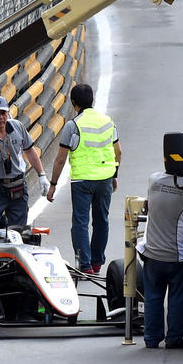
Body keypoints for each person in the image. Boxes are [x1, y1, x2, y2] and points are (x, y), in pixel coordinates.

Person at [46, 83, 121, 275]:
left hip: (82, 181)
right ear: (92, 99)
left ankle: (85, 266)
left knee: (80, 222)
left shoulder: (73, 125)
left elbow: (60, 159)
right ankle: (97, 263)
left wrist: (53, 185)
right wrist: (114, 175)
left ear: (73, 103)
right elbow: (118, 151)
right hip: (105, 178)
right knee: (101, 221)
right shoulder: (107, 121)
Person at [141, 132, 183, 350]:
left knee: (153, 298)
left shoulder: (153, 181)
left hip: (152, 256)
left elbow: (173, 181)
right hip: (178, 258)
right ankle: (174, 338)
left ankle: (151, 339)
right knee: (179, 299)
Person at [0, 95, 49, 229]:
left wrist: (41, 175)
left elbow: (29, 151)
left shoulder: (17, 127)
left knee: (18, 230)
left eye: (3, 113)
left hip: (17, 185)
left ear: (8, 113)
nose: (0, 117)